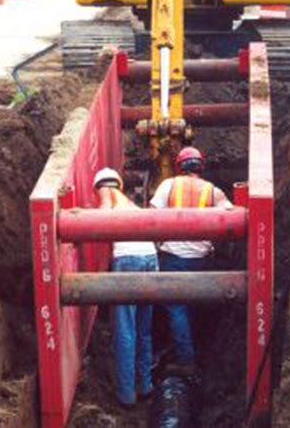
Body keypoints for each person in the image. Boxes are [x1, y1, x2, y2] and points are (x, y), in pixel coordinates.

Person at [150, 147, 232, 370]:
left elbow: (151, 216)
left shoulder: (168, 186)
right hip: (202, 260)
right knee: (199, 307)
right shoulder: (213, 191)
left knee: (177, 309)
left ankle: (186, 361)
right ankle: (202, 356)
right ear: (200, 167)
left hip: (173, 259)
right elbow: (231, 218)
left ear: (179, 166)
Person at [93, 167, 159, 408]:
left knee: (125, 330)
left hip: (128, 262)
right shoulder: (131, 204)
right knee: (143, 328)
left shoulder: (107, 192)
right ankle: (145, 385)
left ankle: (126, 395)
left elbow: (103, 213)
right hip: (150, 260)